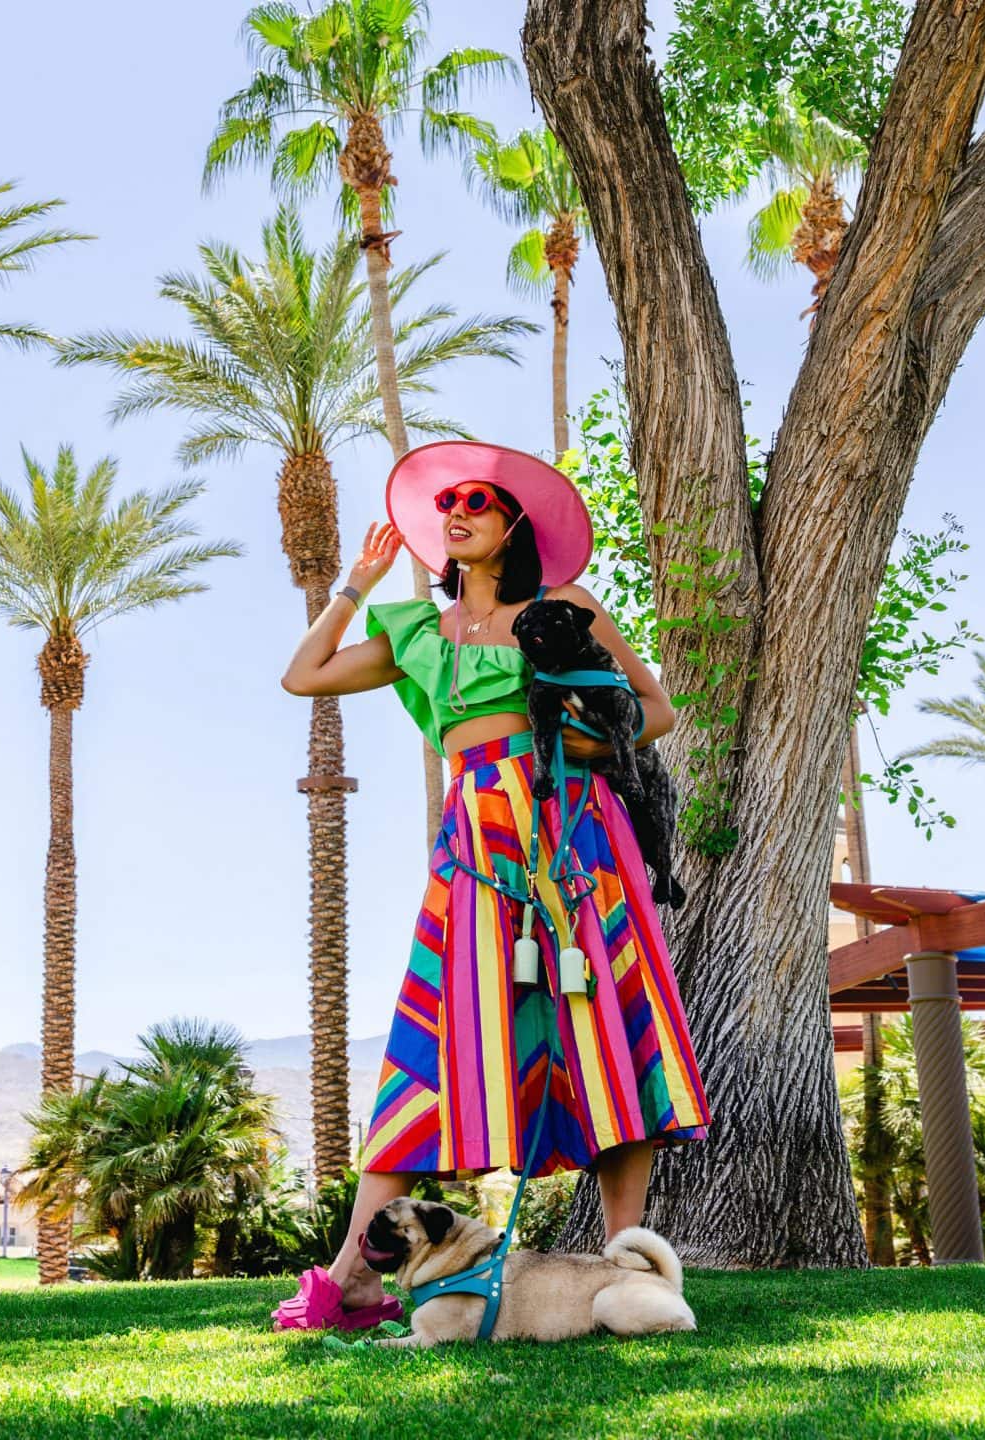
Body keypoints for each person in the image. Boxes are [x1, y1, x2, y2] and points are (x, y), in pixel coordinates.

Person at [272, 440, 709, 1331]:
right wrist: (356, 583)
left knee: (611, 1034)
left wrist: (575, 748)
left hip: (577, 835)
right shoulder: (421, 635)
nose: (455, 513)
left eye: (475, 500)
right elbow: (302, 675)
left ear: (511, 523)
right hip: (474, 845)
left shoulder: (566, 609)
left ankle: (629, 1269)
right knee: (431, 1044)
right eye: (446, 504)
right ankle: (354, 1280)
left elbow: (654, 711)